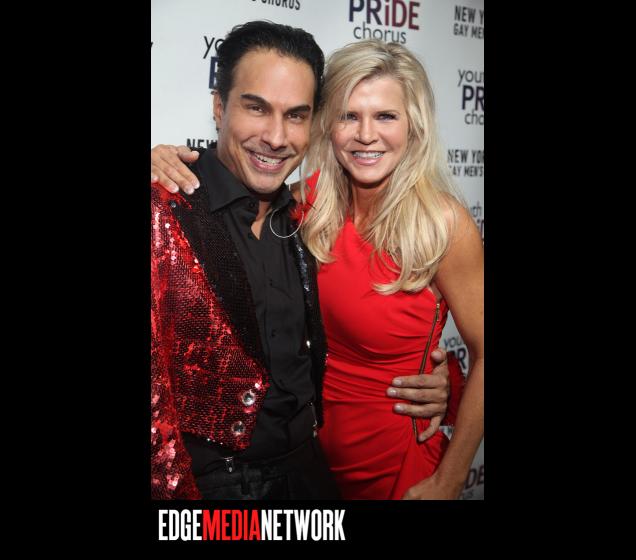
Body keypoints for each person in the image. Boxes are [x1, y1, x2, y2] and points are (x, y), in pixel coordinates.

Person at [151, 21, 453, 500]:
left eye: (296, 115)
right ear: (218, 106)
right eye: (256, 108)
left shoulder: (305, 214)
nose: (276, 136)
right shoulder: (163, 211)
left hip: (314, 476)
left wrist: (447, 383)